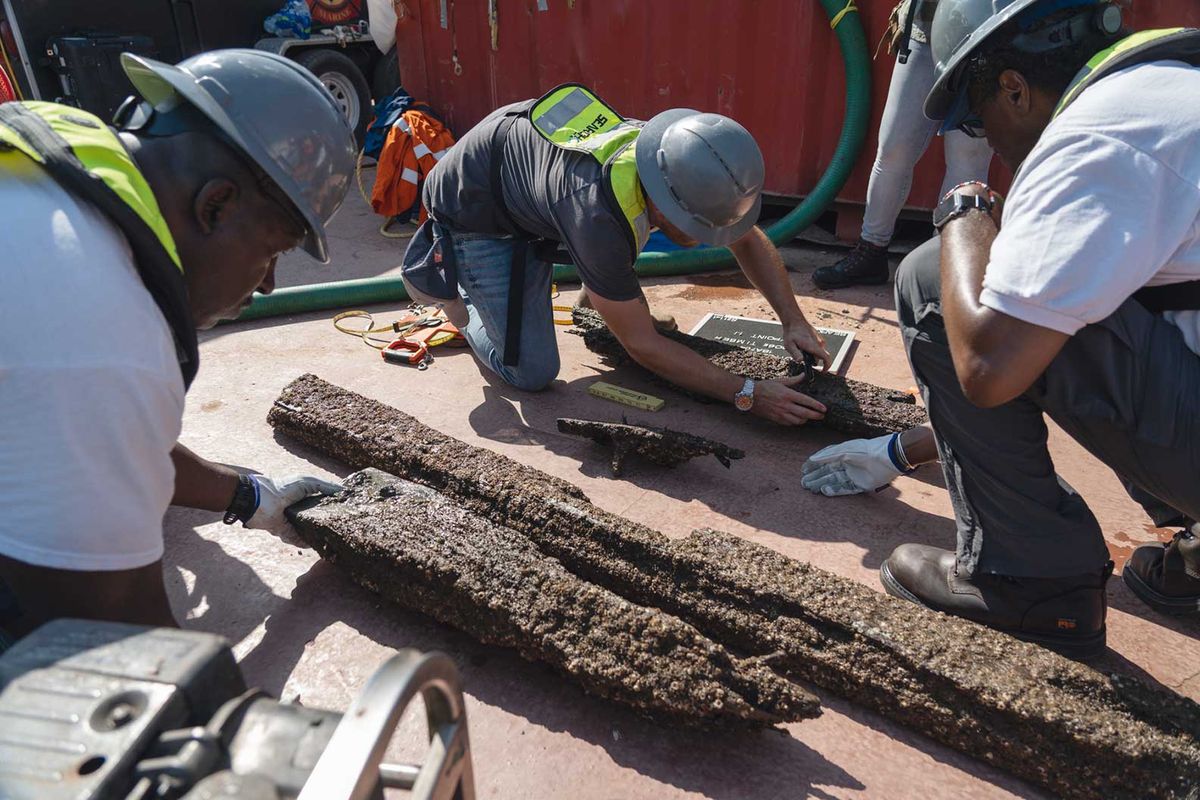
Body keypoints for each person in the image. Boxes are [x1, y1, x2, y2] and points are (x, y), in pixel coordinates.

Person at [820, 0, 1200, 658]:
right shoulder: (1170, 91)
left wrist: (965, 215)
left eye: (974, 116)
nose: (981, 138)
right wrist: (902, 450)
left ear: (1015, 89)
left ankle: (1030, 578)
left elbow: (990, 368)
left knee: (930, 276)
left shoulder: (1097, 137)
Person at [0, 49, 358, 638]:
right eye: (274, 252)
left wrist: (252, 498)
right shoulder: (101, 330)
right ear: (215, 204)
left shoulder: (67, 152)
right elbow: (120, 639)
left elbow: (103, 440)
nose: (269, 284)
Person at [401, 85, 833, 426]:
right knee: (531, 374)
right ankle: (455, 299)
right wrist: (747, 393)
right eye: (701, 228)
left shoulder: (673, 153)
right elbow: (642, 345)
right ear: (665, 201)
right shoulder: (597, 218)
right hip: (474, 209)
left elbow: (745, 236)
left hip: (530, 179)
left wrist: (793, 319)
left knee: (610, 257)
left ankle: (601, 294)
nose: (711, 238)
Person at [811, 0, 994, 290]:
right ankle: (871, 250)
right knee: (893, 149)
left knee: (967, 161)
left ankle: (945, 270)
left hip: (987, 35)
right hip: (925, 30)